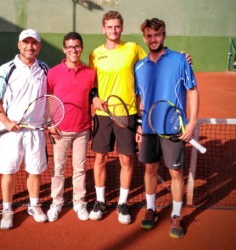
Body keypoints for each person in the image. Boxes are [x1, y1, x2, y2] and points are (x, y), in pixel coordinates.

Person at [89, 11, 192, 224]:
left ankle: (123, 203)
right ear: (103, 28)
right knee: (100, 158)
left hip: (127, 114)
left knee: (126, 159)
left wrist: (182, 60)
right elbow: (93, 84)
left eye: (117, 26)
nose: (113, 30)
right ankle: (100, 201)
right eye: (109, 26)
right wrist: (95, 97)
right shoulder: (94, 54)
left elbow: (155, 58)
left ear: (122, 27)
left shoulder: (133, 49)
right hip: (102, 114)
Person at [135, 18, 199, 239]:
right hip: (150, 128)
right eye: (149, 35)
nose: (153, 39)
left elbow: (192, 90)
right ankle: (151, 209)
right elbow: (139, 98)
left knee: (175, 173)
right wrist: (139, 126)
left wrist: (192, 122)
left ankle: (176, 214)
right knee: (150, 170)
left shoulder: (180, 60)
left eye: (157, 35)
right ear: (145, 38)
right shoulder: (140, 66)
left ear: (163, 35)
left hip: (173, 127)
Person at [0, 29, 49, 230]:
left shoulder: (44, 69)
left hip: (35, 131)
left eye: (34, 43)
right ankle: (7, 210)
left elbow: (48, 97)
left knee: (34, 171)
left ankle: (34, 206)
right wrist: (4, 120)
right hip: (10, 131)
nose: (30, 46)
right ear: (19, 45)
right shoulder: (5, 69)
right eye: (26, 42)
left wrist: (47, 120)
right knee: (9, 172)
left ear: (39, 46)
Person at [46, 32, 95, 222]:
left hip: (82, 129)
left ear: (81, 48)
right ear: (64, 49)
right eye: (69, 47)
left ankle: (79, 202)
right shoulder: (53, 72)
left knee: (79, 168)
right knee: (58, 168)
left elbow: (93, 95)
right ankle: (57, 202)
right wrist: (51, 123)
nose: (73, 50)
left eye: (76, 47)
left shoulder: (90, 73)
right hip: (60, 130)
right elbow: (48, 98)